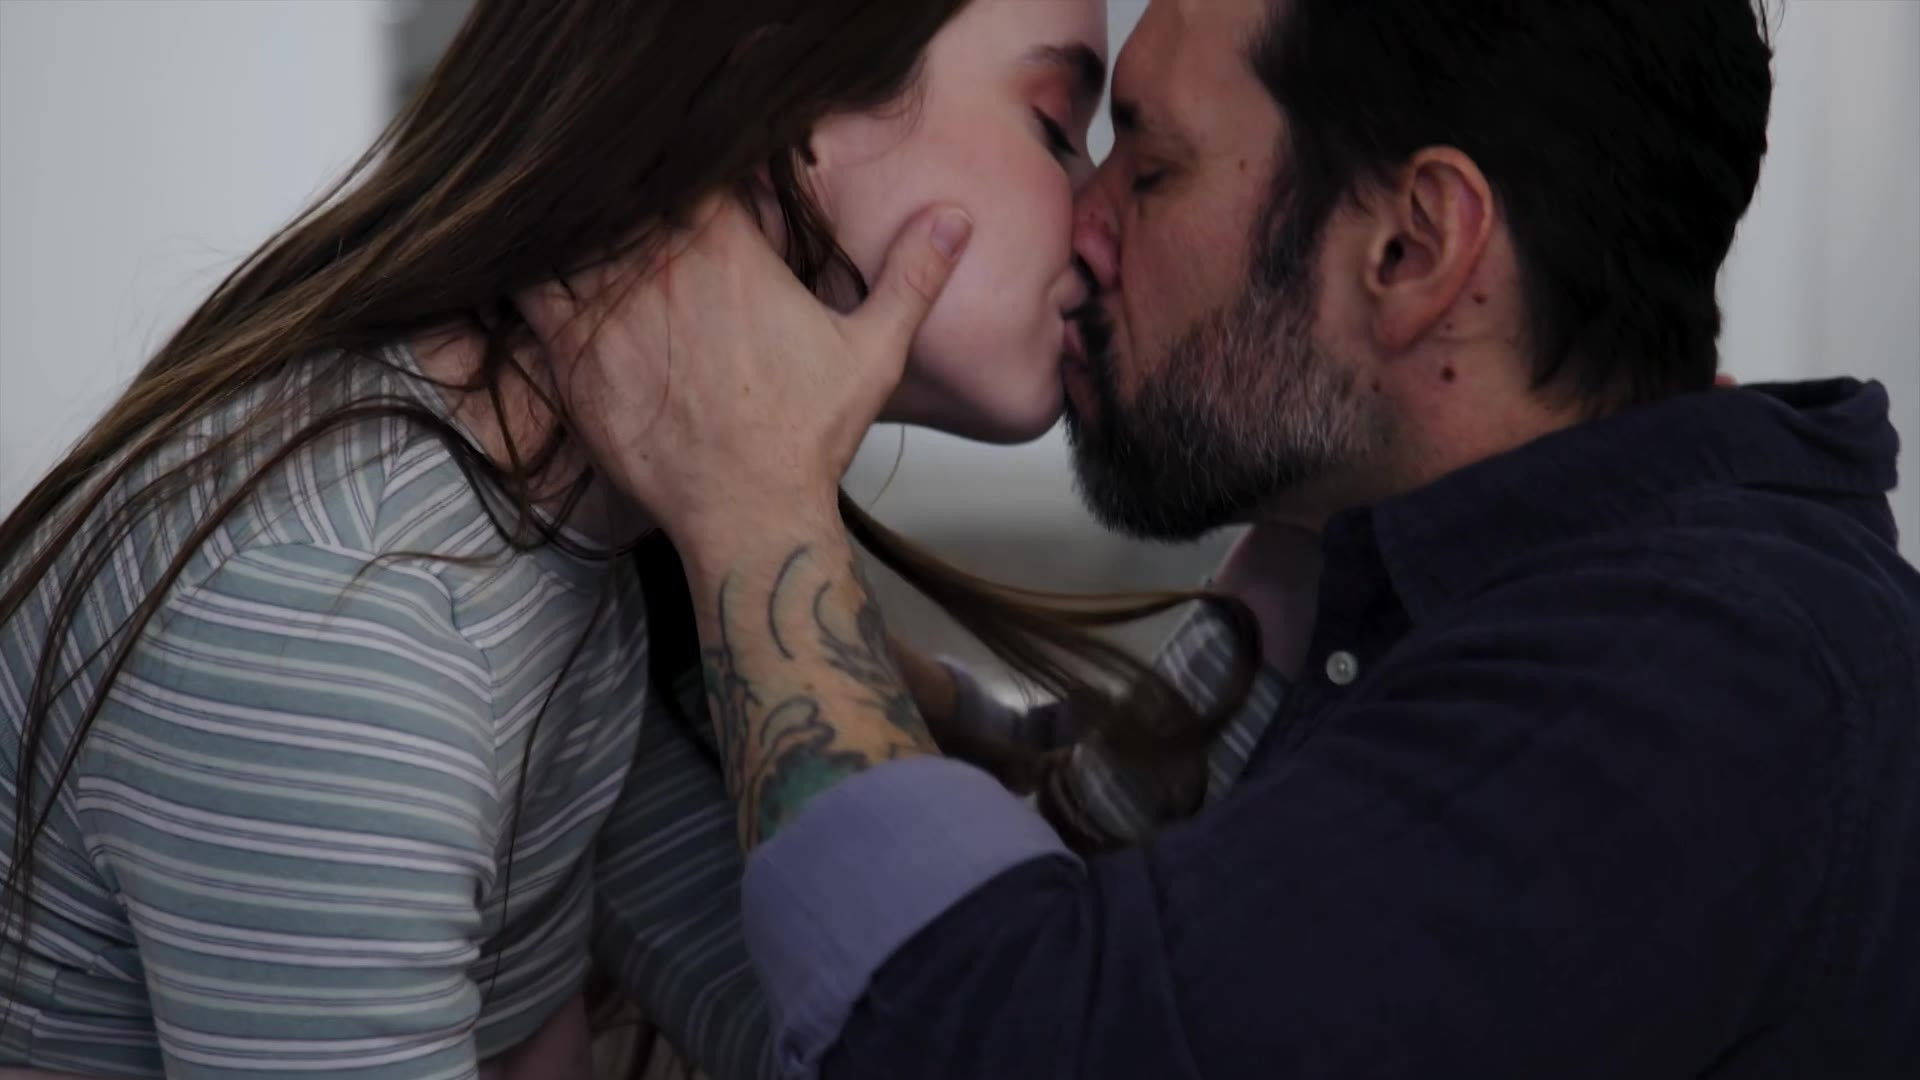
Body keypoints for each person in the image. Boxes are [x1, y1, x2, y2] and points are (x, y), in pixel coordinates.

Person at [535, 0, 1920, 1077]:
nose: (1079, 220)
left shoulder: (1685, 685)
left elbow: (992, 1037)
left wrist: (753, 503)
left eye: (1149, 164)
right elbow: (1134, 919)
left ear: (1412, 249)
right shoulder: (1504, 598)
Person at [1, 2, 1241, 1077]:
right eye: (1052, 124)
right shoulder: (348, 616)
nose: (1097, 213)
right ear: (779, 106)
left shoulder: (559, 541)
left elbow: (870, 1022)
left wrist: (1303, 550)